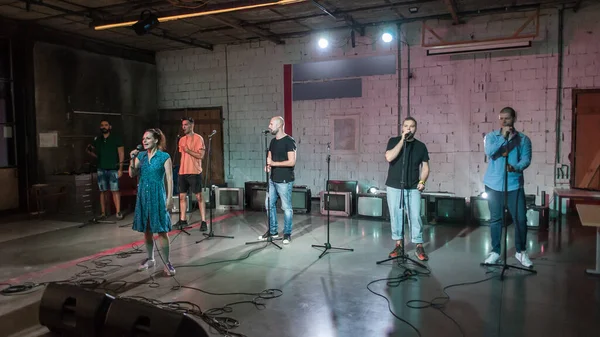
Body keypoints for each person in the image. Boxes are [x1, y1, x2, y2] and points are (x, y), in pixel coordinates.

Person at [483, 107, 533, 268]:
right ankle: (496, 251)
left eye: (507, 118)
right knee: (496, 219)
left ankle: (521, 251)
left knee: (520, 219)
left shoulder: (523, 140)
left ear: (514, 119)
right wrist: (503, 138)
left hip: (514, 185)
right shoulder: (491, 137)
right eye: (501, 118)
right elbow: (490, 152)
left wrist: (515, 167)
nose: (504, 122)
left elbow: (526, 160)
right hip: (494, 184)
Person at [129, 128, 175, 276]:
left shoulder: (164, 157)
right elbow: (132, 174)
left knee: (162, 231)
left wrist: (169, 199)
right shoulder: (140, 156)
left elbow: (169, 179)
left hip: (157, 196)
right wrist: (132, 159)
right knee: (147, 230)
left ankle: (167, 263)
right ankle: (150, 259)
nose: (145, 141)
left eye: (148, 138)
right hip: (143, 195)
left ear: (156, 140)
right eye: (143, 138)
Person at [384, 117, 430, 261]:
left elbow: (426, 167)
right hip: (394, 186)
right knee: (396, 216)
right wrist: (401, 141)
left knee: (415, 216)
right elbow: (389, 157)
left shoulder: (421, 146)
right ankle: (398, 245)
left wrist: (422, 181)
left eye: (412, 126)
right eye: (406, 126)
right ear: (402, 128)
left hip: (413, 187)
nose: (409, 129)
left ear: (416, 128)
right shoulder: (393, 141)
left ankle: (418, 245)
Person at [258, 116, 296, 244]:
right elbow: (269, 158)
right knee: (269, 205)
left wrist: (273, 163)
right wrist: (268, 165)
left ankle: (287, 233)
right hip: (273, 179)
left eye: (271, 124)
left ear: (279, 125)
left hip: (284, 180)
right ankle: (273, 231)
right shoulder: (273, 142)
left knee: (286, 207)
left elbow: (291, 162)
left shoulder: (289, 141)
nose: (269, 126)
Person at [87, 120, 124, 220]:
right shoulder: (97, 140)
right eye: (102, 125)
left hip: (113, 168)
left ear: (110, 127)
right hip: (101, 168)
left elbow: (121, 153)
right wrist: (94, 155)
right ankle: (103, 213)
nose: (104, 127)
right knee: (102, 191)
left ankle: (118, 212)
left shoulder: (116, 138)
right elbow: (91, 151)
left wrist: (120, 168)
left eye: (106, 125)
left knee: (115, 190)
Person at [175, 117, 207, 231]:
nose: (183, 127)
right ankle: (183, 219)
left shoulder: (199, 138)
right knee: (182, 196)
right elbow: (182, 155)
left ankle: (203, 221)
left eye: (186, 125)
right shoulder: (182, 140)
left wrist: (188, 151)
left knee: (199, 196)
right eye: (182, 125)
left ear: (192, 125)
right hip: (183, 171)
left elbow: (201, 156)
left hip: (194, 171)